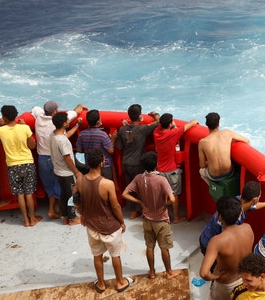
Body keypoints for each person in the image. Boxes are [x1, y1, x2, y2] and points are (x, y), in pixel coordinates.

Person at [76, 148, 132, 294]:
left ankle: (101, 284)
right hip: (109, 227)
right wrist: (121, 222)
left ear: (87, 163)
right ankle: (120, 282)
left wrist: (82, 215)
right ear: (102, 162)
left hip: (91, 226)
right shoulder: (107, 184)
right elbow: (116, 206)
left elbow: (77, 200)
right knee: (115, 255)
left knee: (97, 255)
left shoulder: (80, 181)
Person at [122, 151, 183, 280]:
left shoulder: (139, 178)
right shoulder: (161, 179)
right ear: (156, 164)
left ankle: (152, 272)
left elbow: (124, 194)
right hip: (161, 221)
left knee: (150, 246)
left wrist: (139, 202)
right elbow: (172, 199)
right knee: (164, 248)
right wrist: (164, 206)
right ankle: (169, 272)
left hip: (147, 220)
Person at [31, 101, 85, 219]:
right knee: (61, 186)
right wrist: (80, 107)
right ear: (55, 112)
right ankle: (64, 213)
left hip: (42, 159)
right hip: (55, 160)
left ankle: (52, 210)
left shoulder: (39, 118)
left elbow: (35, 108)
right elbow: (77, 110)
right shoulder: (59, 124)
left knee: (50, 186)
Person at [199, 180, 265, 254]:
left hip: (206, 236)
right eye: (259, 196)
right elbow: (225, 240)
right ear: (255, 199)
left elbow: (253, 206)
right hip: (209, 246)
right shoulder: (233, 219)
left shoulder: (238, 200)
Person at [200, 196, 254, 300]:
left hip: (226, 285)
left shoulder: (216, 241)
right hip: (243, 280)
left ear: (219, 217)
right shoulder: (248, 228)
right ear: (239, 215)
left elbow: (203, 273)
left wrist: (213, 276)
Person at [0, 105, 39, 227]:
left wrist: (1, 125)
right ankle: (33, 218)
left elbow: (0, 142)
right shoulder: (24, 128)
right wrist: (25, 126)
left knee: (20, 194)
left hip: (12, 165)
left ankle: (25, 220)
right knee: (28, 193)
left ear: (4, 117)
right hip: (27, 163)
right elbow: (32, 146)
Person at [115, 104, 159, 219]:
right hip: (137, 164)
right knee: (142, 188)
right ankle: (143, 210)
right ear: (140, 117)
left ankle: (133, 210)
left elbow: (119, 146)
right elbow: (159, 122)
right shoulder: (143, 129)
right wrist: (154, 114)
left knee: (129, 188)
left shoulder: (122, 129)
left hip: (125, 163)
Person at [153, 112, 198, 223]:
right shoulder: (173, 133)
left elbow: (160, 123)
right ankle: (176, 218)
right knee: (174, 195)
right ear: (169, 125)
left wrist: (155, 115)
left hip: (160, 169)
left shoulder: (156, 133)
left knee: (164, 193)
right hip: (172, 170)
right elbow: (192, 123)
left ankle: (162, 213)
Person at [198, 112, 249, 189]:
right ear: (218, 124)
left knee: (201, 172)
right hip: (229, 172)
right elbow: (247, 141)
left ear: (206, 124)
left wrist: (210, 161)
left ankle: (213, 188)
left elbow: (202, 165)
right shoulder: (227, 133)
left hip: (214, 176)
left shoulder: (202, 142)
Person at [50, 112, 82, 225]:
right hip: (66, 173)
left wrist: (77, 126)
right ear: (64, 124)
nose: (69, 121)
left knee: (63, 194)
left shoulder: (53, 135)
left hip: (57, 171)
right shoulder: (62, 141)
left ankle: (65, 217)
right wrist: (77, 172)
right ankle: (73, 219)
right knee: (71, 195)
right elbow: (67, 158)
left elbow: (65, 135)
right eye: (68, 120)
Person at [75, 109, 115, 180]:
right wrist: (113, 139)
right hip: (104, 166)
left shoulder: (82, 134)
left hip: (90, 166)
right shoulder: (103, 135)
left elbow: (79, 150)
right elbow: (111, 150)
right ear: (98, 121)